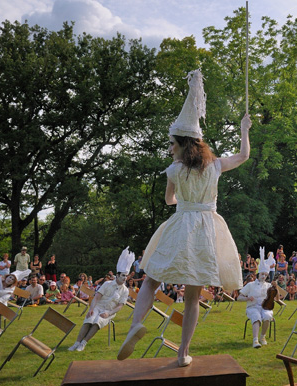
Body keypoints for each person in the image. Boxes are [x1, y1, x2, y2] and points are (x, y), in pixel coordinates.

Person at [118, 71, 250, 367]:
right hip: (206, 229)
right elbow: (242, 156)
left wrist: (182, 201)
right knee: (192, 296)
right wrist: (244, 129)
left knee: (152, 278)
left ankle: (136, 323)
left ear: (181, 144)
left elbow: (168, 200)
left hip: (181, 224)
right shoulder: (215, 166)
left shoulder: (174, 170)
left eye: (172, 144)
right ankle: (182, 353)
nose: (170, 148)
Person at [69, 248, 132, 352]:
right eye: (123, 275)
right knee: (89, 320)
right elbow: (97, 297)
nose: (125, 278)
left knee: (97, 322)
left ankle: (84, 343)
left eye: (126, 276)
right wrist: (91, 309)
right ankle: (76, 343)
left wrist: (109, 313)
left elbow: (120, 306)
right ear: (117, 275)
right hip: (98, 306)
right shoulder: (107, 284)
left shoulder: (125, 291)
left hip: (109, 311)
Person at [238, 249, 274, 348]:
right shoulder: (250, 285)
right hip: (252, 307)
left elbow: (277, 299)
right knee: (256, 317)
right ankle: (255, 340)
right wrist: (247, 298)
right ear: (258, 274)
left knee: (267, 316)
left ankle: (263, 337)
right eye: (262, 274)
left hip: (265, 307)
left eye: (266, 275)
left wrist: (276, 290)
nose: (264, 276)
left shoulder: (268, 285)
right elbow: (238, 297)